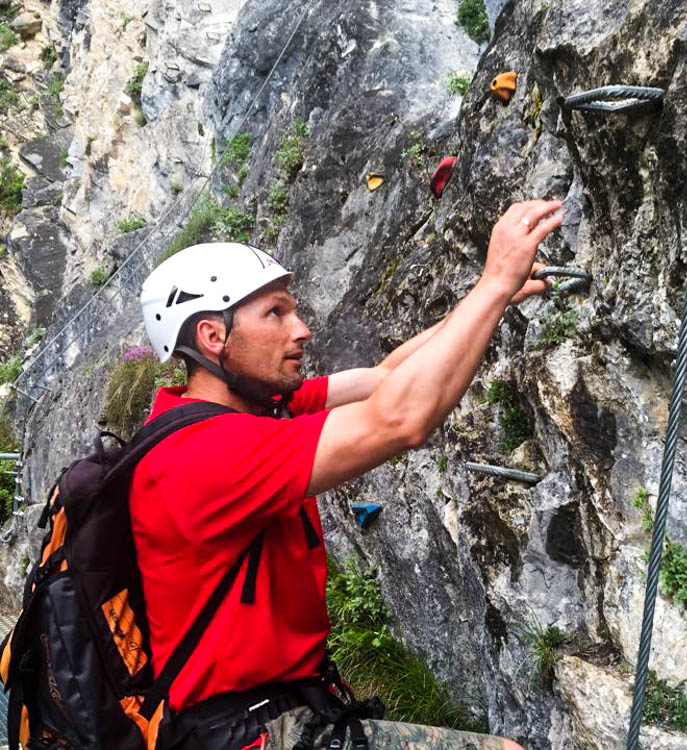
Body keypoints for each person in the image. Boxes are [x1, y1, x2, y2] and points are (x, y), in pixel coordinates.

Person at [132, 199, 564, 750]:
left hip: (279, 713)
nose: (303, 329)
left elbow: (387, 378)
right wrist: (494, 285)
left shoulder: (254, 408)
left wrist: (487, 299)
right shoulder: (203, 454)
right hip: (248, 734)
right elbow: (402, 421)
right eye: (276, 313)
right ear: (215, 338)